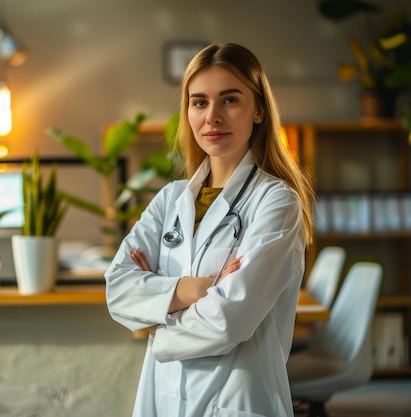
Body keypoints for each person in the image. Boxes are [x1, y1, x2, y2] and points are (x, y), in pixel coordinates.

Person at [104, 42, 314, 417]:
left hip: (236, 397)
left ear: (259, 111)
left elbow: (229, 320)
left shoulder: (276, 202)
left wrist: (155, 326)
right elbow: (117, 288)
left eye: (229, 100)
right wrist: (191, 289)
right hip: (162, 396)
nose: (212, 116)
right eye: (199, 102)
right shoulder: (170, 200)